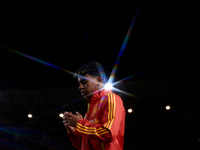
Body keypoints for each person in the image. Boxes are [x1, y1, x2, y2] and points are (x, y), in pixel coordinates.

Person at [62, 62, 125, 150]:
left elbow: (109, 133)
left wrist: (79, 124)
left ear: (99, 80)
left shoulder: (111, 98)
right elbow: (83, 145)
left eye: (84, 82)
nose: (80, 87)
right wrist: (75, 132)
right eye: (79, 83)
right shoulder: (90, 109)